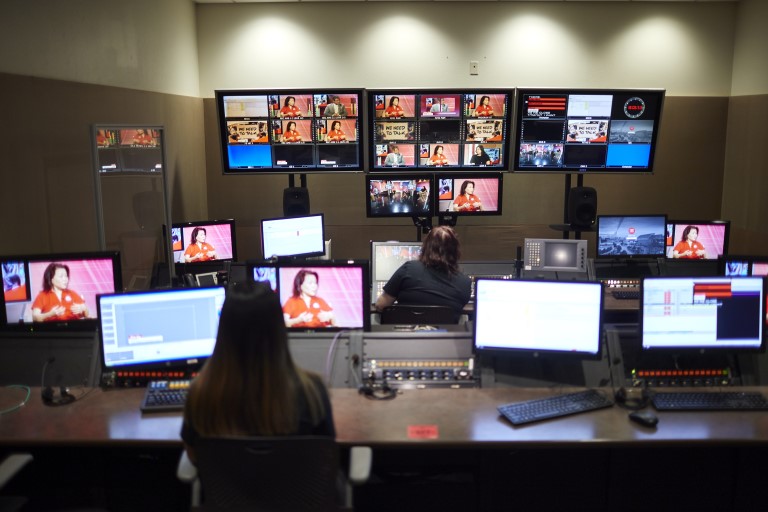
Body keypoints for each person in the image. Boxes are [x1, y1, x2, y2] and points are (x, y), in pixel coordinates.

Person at [181, 281, 335, 465]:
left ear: (223, 330)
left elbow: (194, 456)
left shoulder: (200, 393)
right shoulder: (312, 391)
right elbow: (326, 456)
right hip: (296, 492)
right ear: (278, 330)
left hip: (227, 493)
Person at [375, 226, 471, 316]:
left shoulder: (409, 268)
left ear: (426, 247)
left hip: (406, 333)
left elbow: (381, 305)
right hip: (442, 333)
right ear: (455, 251)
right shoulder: (465, 283)